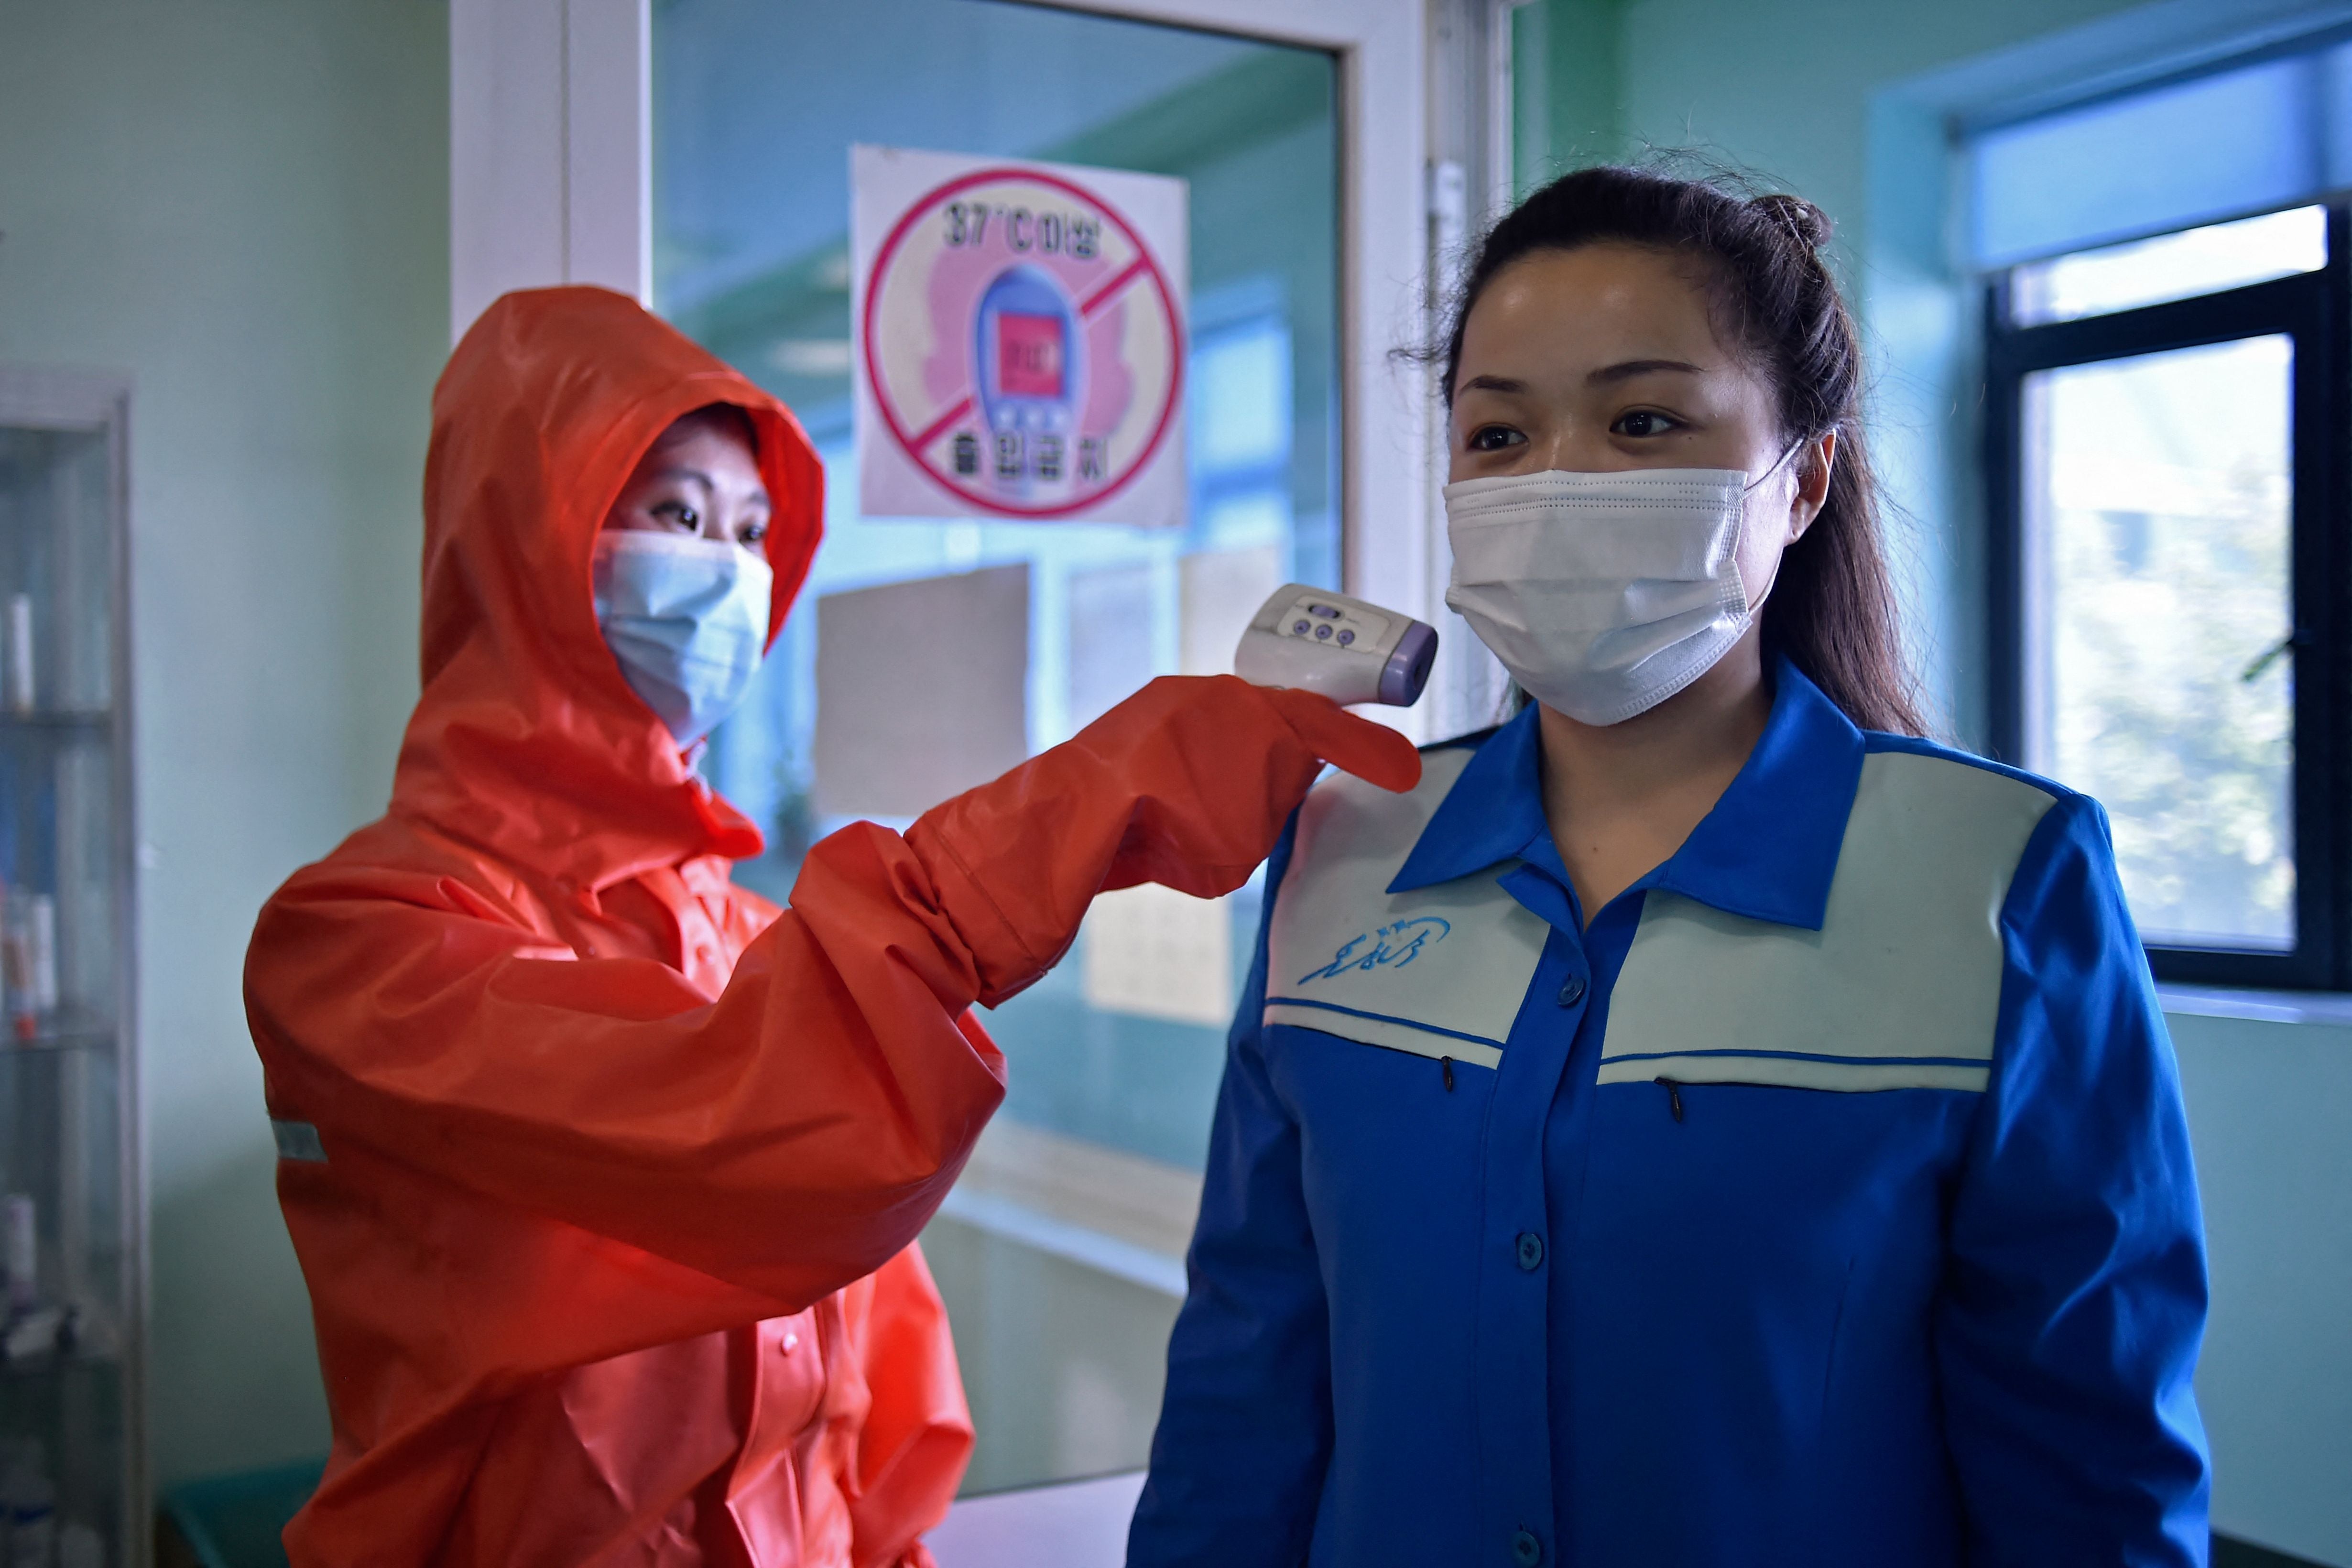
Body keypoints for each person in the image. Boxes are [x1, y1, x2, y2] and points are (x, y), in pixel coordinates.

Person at [1128, 166, 2210, 1568]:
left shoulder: (1997, 880)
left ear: (1803, 478)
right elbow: (1244, 1391)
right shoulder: (1346, 844)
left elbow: (2089, 1465)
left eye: (1643, 421)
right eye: (1500, 433)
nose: (1560, 479)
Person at [243, 285, 1418, 1568]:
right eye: (678, 516)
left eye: (754, 533)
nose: (733, 574)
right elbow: (753, 1142)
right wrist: (1074, 814)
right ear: (518, 539)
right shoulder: (359, 949)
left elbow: (869, 1375)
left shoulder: (748, 935)